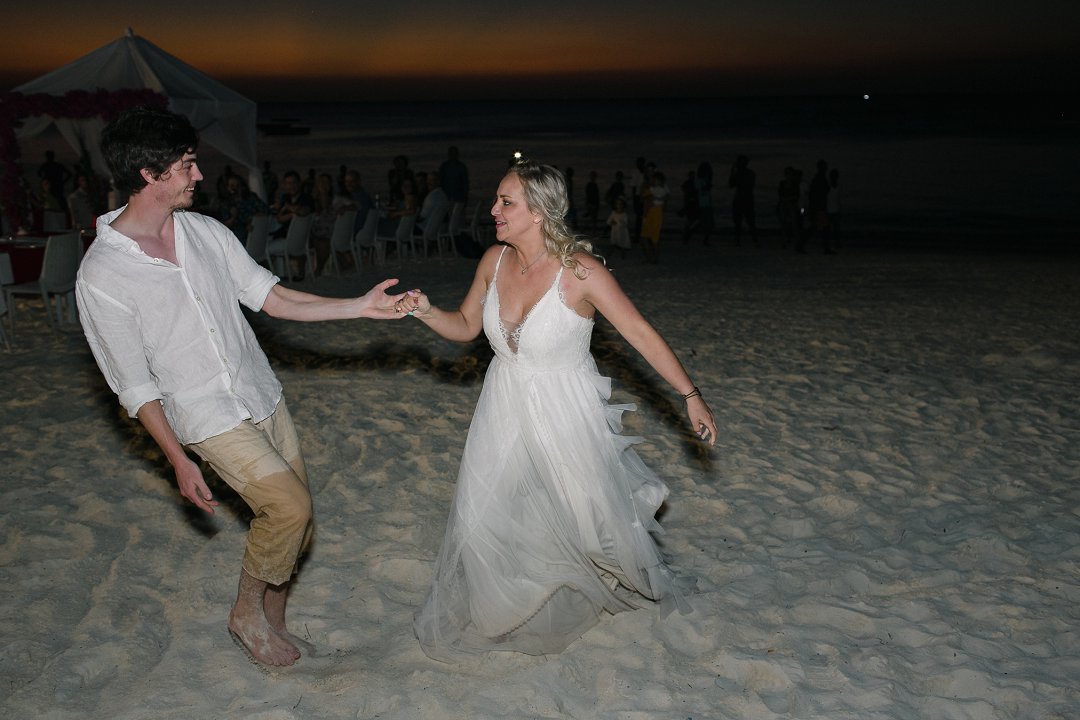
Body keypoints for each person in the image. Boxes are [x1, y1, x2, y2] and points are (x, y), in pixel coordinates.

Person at [75, 107, 410, 667]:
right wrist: (178, 459)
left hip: (260, 392)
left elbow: (271, 297)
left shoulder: (206, 232)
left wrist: (360, 306)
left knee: (296, 522)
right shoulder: (102, 273)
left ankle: (273, 624)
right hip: (205, 415)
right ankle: (245, 614)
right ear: (150, 175)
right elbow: (132, 385)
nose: (199, 175)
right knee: (289, 509)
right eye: (187, 165)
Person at [398, 160, 717, 662]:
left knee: (592, 524)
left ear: (539, 212)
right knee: (482, 512)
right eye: (496, 199)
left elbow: (639, 333)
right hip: (502, 404)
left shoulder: (581, 273)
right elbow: (464, 326)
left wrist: (689, 394)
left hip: (565, 410)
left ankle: (626, 582)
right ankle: (498, 614)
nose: (493, 209)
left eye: (506, 202)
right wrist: (424, 311)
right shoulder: (493, 261)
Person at [729, 155, 758, 246]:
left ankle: (753, 240)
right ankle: (740, 240)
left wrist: (734, 172)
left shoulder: (749, 173)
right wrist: (733, 172)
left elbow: (744, 185)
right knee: (740, 222)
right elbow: (731, 184)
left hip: (745, 200)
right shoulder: (747, 173)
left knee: (749, 221)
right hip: (741, 200)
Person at [606, 195, 631, 259]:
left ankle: (623, 254)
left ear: (623, 205)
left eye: (620, 204)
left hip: (622, 232)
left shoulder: (624, 214)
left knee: (622, 243)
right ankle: (609, 253)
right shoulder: (613, 213)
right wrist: (611, 222)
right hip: (615, 231)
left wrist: (619, 223)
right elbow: (608, 221)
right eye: (617, 204)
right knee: (613, 243)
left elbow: (626, 223)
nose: (619, 205)